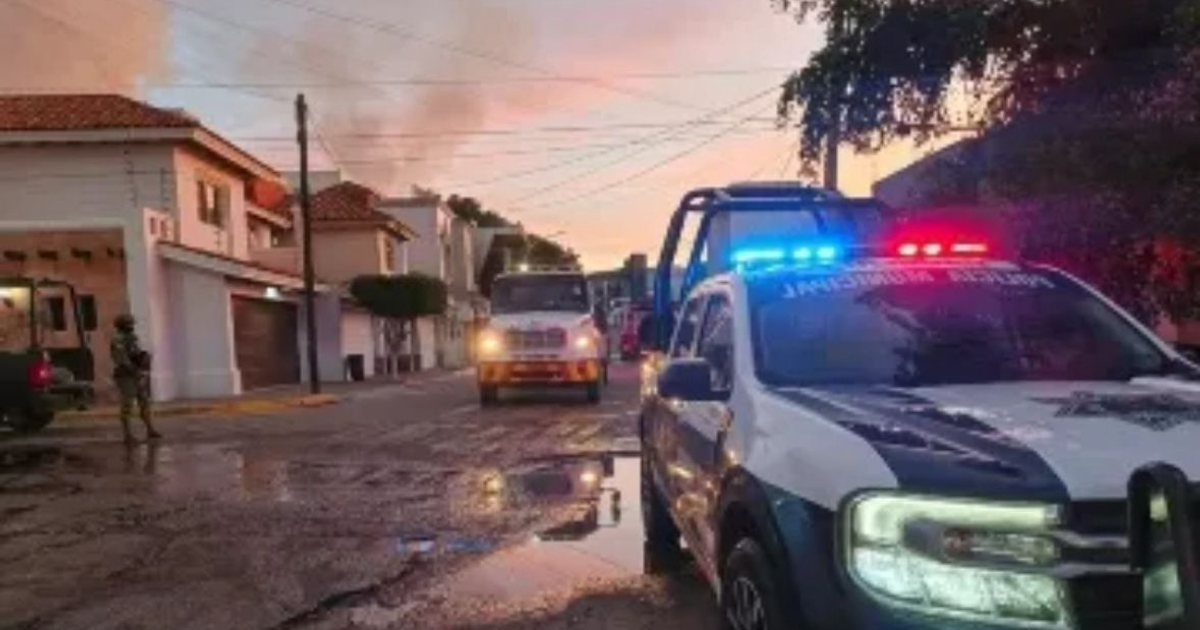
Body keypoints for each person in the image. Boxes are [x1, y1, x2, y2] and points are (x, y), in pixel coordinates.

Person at [111, 314, 161, 445]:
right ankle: (127, 435)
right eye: (128, 324)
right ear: (121, 325)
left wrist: (144, 359)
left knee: (144, 401)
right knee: (127, 404)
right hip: (125, 375)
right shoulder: (118, 339)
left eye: (131, 323)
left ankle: (150, 429)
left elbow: (136, 352)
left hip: (136, 374)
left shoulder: (132, 338)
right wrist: (135, 369)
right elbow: (121, 359)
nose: (131, 326)